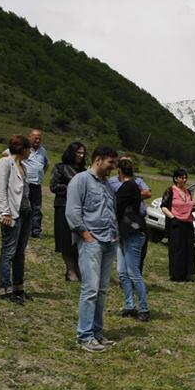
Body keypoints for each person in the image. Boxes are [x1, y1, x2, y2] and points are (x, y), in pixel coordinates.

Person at [65, 147, 119, 353]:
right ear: (98, 160)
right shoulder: (81, 180)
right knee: (90, 289)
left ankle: (97, 332)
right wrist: (85, 234)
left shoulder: (107, 186)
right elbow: (72, 211)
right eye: (109, 163)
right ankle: (84, 336)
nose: (112, 168)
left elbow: (110, 210)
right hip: (91, 241)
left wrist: (115, 234)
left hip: (108, 241)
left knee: (102, 290)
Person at [0, 135, 32, 303]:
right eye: (28, 148)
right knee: (8, 251)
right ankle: (5, 288)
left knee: (19, 253)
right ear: (22, 149)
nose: (30, 151)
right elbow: (0, 189)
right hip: (12, 213)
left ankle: (18, 288)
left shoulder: (22, 166)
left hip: (25, 212)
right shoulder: (5, 163)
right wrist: (5, 212)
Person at [115, 158, 150, 322]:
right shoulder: (134, 186)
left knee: (133, 272)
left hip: (133, 233)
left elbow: (117, 209)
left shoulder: (127, 187)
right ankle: (130, 305)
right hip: (125, 232)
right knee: (122, 272)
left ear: (119, 171)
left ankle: (144, 308)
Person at [107, 155, 151, 272]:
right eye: (124, 163)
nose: (127, 166)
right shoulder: (111, 182)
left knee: (140, 252)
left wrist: (130, 196)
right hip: (123, 220)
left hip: (139, 219)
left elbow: (147, 193)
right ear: (119, 168)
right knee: (124, 252)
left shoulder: (138, 180)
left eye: (129, 164)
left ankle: (136, 276)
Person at [50, 142, 86, 281]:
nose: (81, 156)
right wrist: (73, 188)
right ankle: (70, 271)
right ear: (71, 152)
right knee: (65, 240)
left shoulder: (84, 171)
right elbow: (54, 186)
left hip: (81, 209)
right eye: (78, 153)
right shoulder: (60, 168)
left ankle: (78, 269)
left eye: (83, 153)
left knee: (78, 241)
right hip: (63, 206)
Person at [160, 168, 195, 282]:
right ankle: (175, 274)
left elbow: (189, 205)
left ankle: (186, 273)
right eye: (182, 177)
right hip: (175, 223)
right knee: (176, 248)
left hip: (187, 223)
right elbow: (164, 206)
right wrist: (172, 217)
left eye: (186, 177)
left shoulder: (188, 192)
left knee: (187, 248)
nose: (184, 180)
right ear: (176, 178)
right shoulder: (170, 190)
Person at [23, 129, 49, 238]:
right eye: (35, 138)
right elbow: (6, 153)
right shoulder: (24, 148)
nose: (37, 140)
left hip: (37, 184)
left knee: (37, 208)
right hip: (26, 183)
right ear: (30, 137)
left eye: (39, 138)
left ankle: (36, 230)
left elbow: (46, 164)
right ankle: (24, 230)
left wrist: (41, 174)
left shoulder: (43, 151)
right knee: (25, 207)